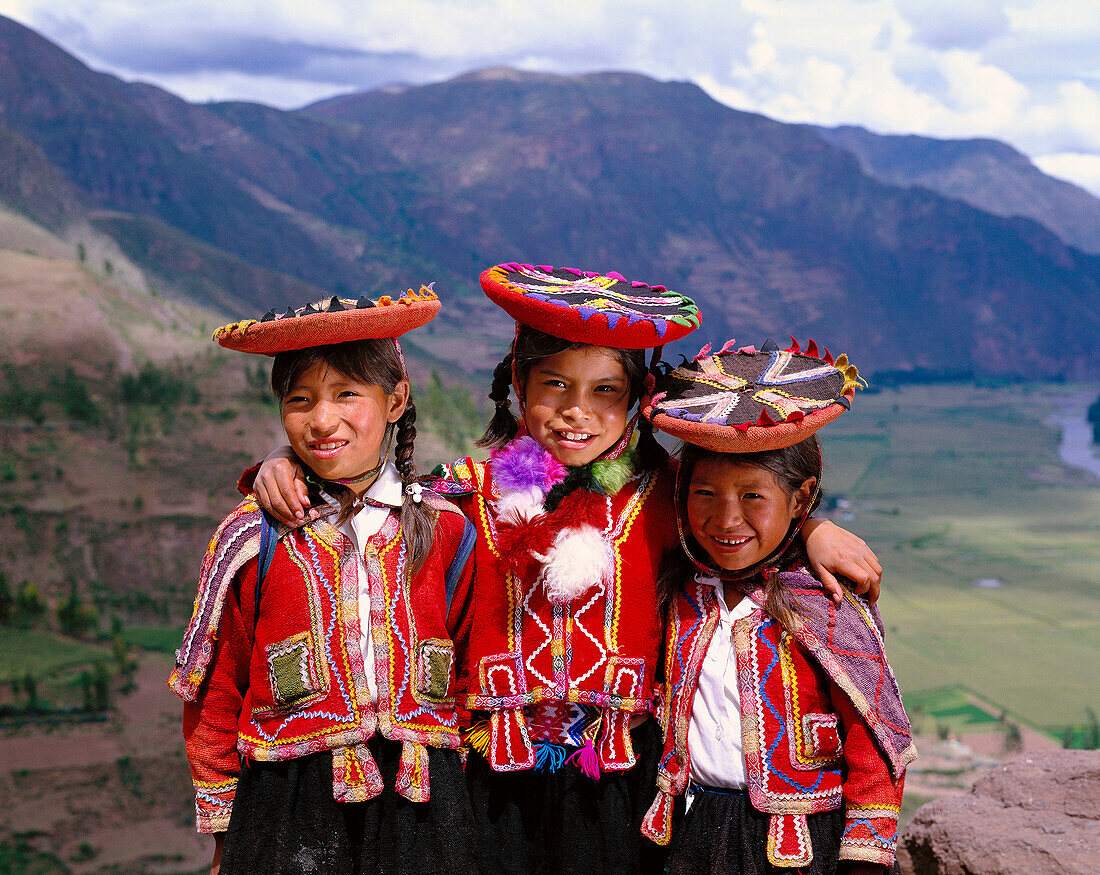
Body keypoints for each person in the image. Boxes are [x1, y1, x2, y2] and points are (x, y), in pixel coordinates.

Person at [251, 265, 885, 874]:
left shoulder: (665, 495)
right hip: (491, 772)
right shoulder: (470, 496)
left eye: (605, 391)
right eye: (554, 384)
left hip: (618, 778)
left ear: (638, 400)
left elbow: (740, 523)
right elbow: (371, 491)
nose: (577, 410)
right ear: (518, 388)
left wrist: (813, 529)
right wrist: (283, 463)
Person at [168, 287, 480, 875]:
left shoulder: (446, 531)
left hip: (422, 800)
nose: (322, 420)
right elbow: (217, 687)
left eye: (346, 395)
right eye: (300, 399)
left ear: (396, 400)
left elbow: (467, 665)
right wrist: (222, 831)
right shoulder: (251, 538)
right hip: (286, 801)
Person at [639, 339, 916, 874]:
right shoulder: (680, 591)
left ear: (799, 497)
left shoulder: (824, 602)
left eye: (752, 497)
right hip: (686, 833)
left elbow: (874, 733)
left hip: (795, 845)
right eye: (705, 495)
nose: (726, 519)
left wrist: (865, 855)